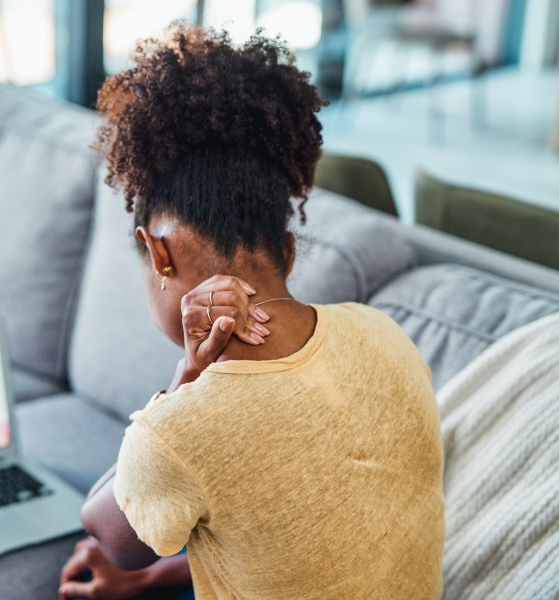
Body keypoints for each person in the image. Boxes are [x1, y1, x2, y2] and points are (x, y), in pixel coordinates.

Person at [59, 24, 444, 600]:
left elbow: (107, 530)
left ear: (159, 253)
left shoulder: (182, 431)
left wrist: (183, 383)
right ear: (288, 252)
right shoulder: (386, 334)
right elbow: (304, 545)